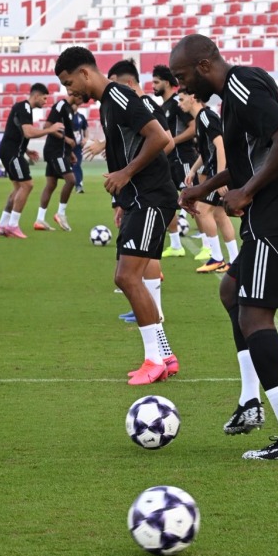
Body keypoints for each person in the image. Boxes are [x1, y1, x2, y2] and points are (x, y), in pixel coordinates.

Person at [172, 34, 278, 461]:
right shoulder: (229, 100)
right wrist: (204, 187)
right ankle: (250, 401)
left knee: (255, 314)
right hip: (271, 217)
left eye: (183, 78)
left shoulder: (241, 85)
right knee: (230, 292)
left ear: (204, 66)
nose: (182, 87)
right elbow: (241, 166)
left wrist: (246, 192)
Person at [56, 47, 179, 385]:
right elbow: (133, 146)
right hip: (140, 199)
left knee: (126, 277)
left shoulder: (119, 96)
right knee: (135, 276)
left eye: (69, 84)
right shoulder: (108, 105)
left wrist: (125, 173)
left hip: (152, 198)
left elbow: (161, 138)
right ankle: (164, 354)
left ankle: (154, 359)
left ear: (84, 73)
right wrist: (124, 196)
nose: (70, 93)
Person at [103, 59, 175, 326]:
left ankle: (154, 311)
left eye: (116, 85)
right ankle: (149, 309)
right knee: (144, 258)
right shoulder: (125, 106)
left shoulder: (143, 104)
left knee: (143, 259)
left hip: (152, 190)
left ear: (130, 84)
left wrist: (137, 169)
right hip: (139, 190)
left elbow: (164, 141)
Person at [180, 90, 239, 273]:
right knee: (220, 215)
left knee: (202, 210)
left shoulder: (206, 116)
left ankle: (217, 258)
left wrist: (221, 177)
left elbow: (220, 145)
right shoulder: (201, 118)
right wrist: (193, 169)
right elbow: (207, 152)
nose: (179, 103)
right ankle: (234, 261)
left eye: (181, 99)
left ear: (192, 98)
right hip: (216, 172)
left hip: (217, 174)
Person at [0, 83, 63, 238]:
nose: (46, 102)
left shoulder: (24, 109)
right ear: (36, 95)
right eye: (44, 98)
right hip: (12, 153)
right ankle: (12, 225)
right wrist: (50, 130)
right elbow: (28, 132)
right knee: (27, 185)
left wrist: (26, 150)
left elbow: (18, 132)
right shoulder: (24, 107)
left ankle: (2, 225)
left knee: (18, 188)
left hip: (11, 151)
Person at [153, 65, 195, 258]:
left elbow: (194, 127)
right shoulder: (162, 108)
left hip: (184, 158)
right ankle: (176, 244)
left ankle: (210, 247)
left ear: (168, 83)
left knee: (194, 200)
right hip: (169, 161)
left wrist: (172, 142)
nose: (153, 85)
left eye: (156, 82)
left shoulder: (179, 105)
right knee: (168, 200)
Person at [33, 90, 81, 231]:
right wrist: (65, 139)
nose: (82, 101)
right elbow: (47, 127)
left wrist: (70, 152)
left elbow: (67, 133)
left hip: (61, 151)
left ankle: (40, 219)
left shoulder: (69, 110)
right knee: (71, 180)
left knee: (51, 184)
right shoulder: (60, 105)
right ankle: (60, 213)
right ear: (75, 94)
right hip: (55, 152)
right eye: (81, 98)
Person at [70, 99, 89, 193]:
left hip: (78, 146)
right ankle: (72, 183)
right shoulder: (66, 116)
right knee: (71, 166)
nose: (75, 106)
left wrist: (85, 139)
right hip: (68, 146)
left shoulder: (81, 117)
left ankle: (79, 185)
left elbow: (85, 129)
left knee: (76, 164)